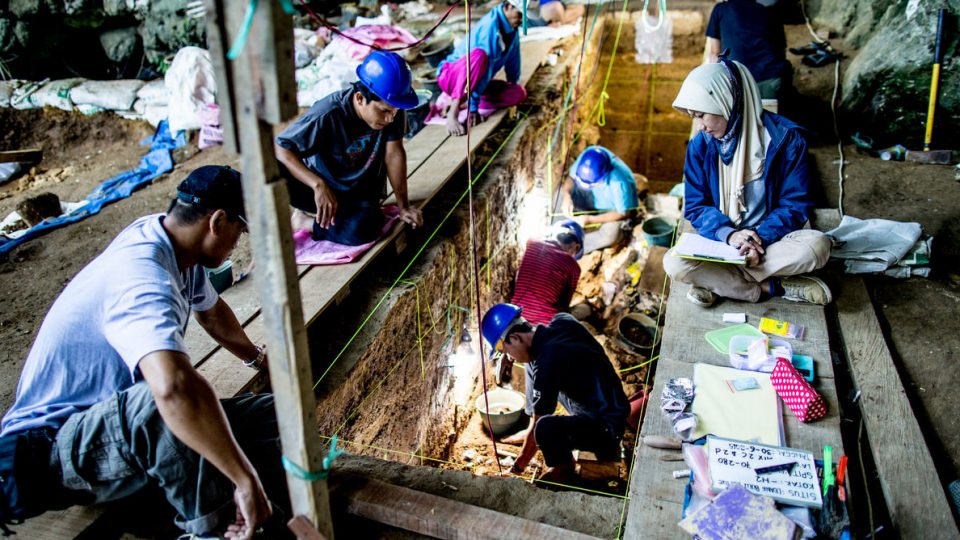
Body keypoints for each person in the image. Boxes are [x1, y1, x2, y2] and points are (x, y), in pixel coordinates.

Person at [0, 166, 287, 539]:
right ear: (217, 221)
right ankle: (213, 530)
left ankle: (266, 508)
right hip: (53, 451)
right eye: (240, 229)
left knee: (277, 413)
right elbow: (171, 390)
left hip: (120, 431)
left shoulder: (176, 242)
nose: (238, 241)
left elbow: (212, 313)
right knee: (163, 401)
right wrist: (243, 478)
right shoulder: (142, 276)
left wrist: (258, 359)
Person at [663, 57, 832, 308]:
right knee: (673, 262)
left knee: (817, 247)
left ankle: (719, 285)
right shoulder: (701, 146)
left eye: (701, 115)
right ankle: (770, 286)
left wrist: (757, 239)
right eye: (693, 117)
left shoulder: (785, 141)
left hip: (769, 243)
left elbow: (795, 205)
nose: (699, 127)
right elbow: (696, 207)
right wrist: (730, 235)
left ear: (727, 103)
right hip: (722, 244)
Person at [275, 50, 424, 246]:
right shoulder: (327, 113)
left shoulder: (392, 112)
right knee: (271, 169)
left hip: (358, 194)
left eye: (395, 111)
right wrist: (317, 185)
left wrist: (403, 206)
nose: (390, 118)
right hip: (322, 190)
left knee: (366, 228)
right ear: (361, 98)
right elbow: (281, 148)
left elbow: (394, 154)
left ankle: (306, 222)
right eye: (384, 111)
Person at [481, 304, 629, 483]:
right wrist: (508, 352)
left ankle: (564, 467)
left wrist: (517, 467)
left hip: (607, 426)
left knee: (544, 428)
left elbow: (547, 370)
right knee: (531, 363)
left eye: (506, 351)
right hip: (610, 401)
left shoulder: (548, 363)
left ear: (515, 337)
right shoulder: (562, 320)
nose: (510, 357)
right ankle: (530, 430)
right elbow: (539, 354)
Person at [436, 0, 528, 136]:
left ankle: (465, 100)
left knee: (519, 93)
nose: (521, 20)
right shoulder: (490, 26)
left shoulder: (512, 29)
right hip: (451, 77)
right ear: (508, 7)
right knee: (479, 56)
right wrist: (472, 109)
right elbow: (485, 67)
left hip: (477, 83)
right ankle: (453, 111)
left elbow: (514, 61)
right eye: (520, 15)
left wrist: (512, 85)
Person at [705, 0, 790, 100]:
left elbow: (715, 54)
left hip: (738, 82)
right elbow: (782, 51)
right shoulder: (770, 12)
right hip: (771, 80)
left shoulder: (720, 9)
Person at [562, 145, 640, 254]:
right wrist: (566, 196)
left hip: (612, 208)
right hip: (591, 196)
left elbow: (624, 213)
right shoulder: (588, 156)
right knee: (560, 194)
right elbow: (571, 178)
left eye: (590, 183)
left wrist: (590, 219)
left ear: (604, 176)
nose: (586, 185)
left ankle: (572, 248)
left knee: (610, 236)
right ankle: (555, 232)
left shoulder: (620, 182)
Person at [510, 220, 584, 327]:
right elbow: (564, 304)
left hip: (516, 316)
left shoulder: (532, 243)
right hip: (545, 324)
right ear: (575, 247)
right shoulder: (573, 266)